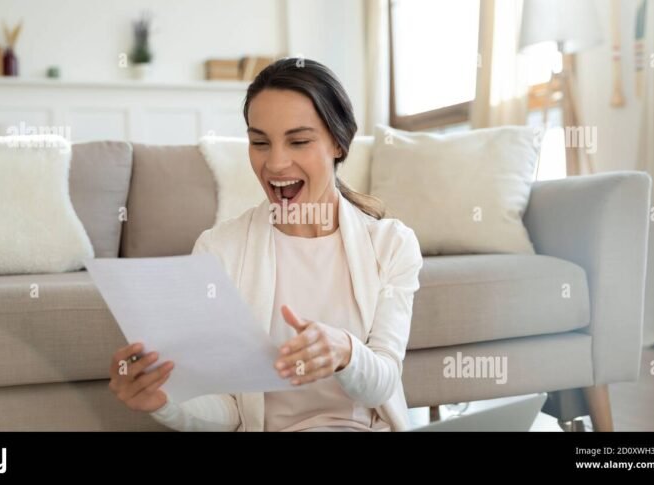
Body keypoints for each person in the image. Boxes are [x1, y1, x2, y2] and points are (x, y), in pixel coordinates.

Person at [109, 58, 422, 431]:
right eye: (259, 142)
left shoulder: (391, 245)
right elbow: (228, 408)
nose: (274, 163)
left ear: (338, 142)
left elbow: (383, 383)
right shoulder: (218, 250)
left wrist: (346, 351)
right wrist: (164, 401)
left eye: (299, 141)